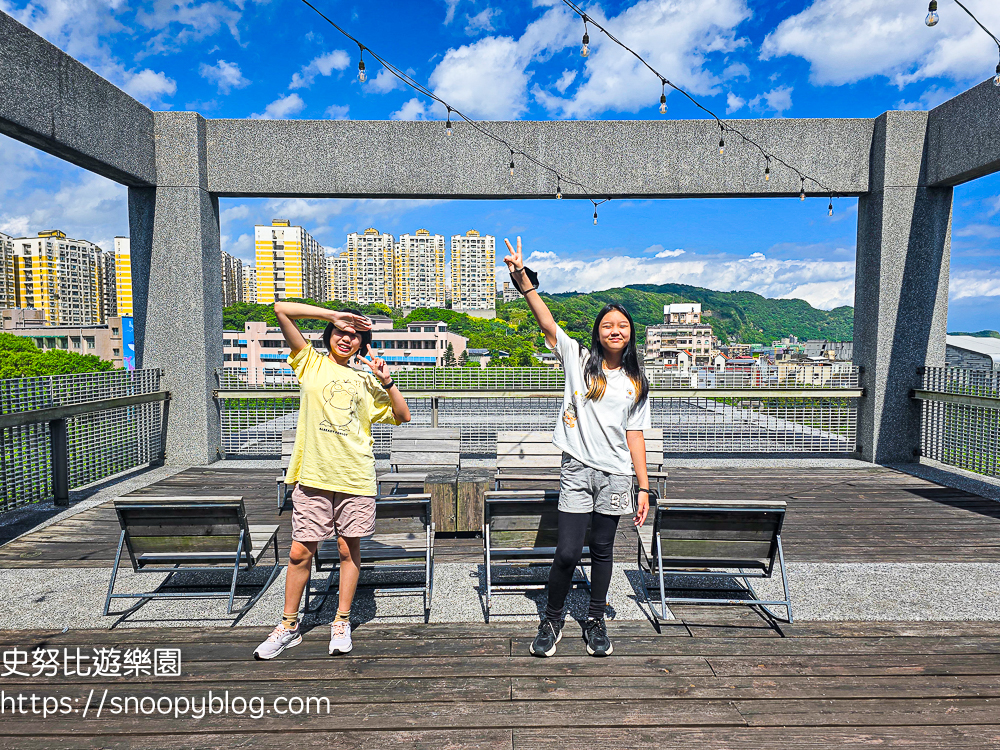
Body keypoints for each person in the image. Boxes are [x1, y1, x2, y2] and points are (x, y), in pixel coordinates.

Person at [503, 237, 651, 658]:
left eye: (622, 325)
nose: (615, 330)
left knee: (603, 552)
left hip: (618, 475)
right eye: (608, 325)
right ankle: (551, 618)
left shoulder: (637, 382)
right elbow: (548, 323)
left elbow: (635, 435)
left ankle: (594, 616)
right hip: (578, 470)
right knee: (567, 552)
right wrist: (524, 281)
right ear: (598, 332)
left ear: (631, 333)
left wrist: (642, 487)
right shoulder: (579, 360)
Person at [254, 302, 410, 660]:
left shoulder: (366, 380)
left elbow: (403, 415)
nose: (346, 338)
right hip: (313, 473)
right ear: (329, 335)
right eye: (341, 332)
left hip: (354, 475)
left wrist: (386, 381)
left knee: (346, 549)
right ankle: (289, 625)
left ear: (362, 345)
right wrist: (333, 316)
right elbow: (281, 310)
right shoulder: (310, 362)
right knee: (299, 551)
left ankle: (341, 620)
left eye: (355, 336)